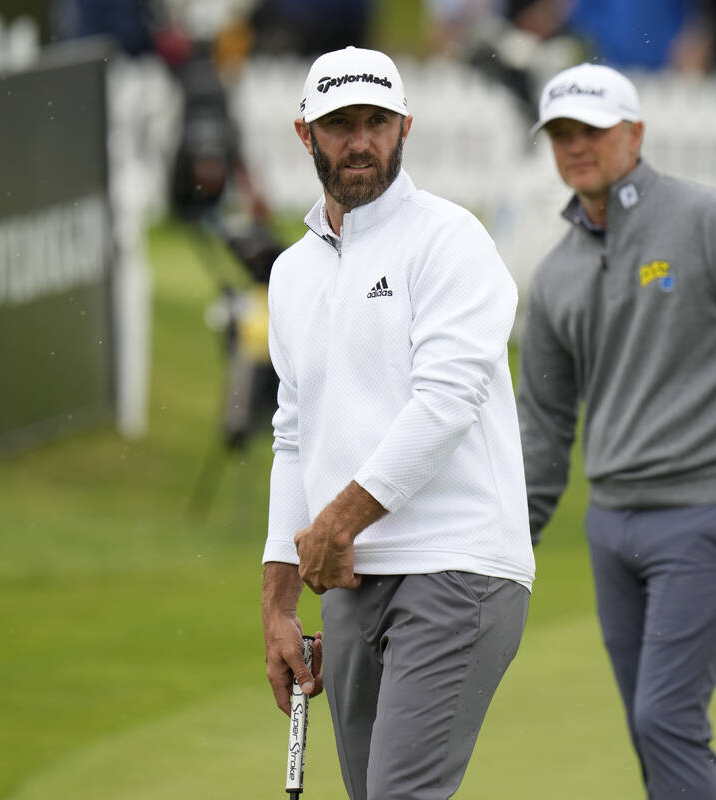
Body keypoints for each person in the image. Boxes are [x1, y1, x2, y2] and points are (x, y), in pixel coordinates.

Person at [517, 63, 716, 799]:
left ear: (634, 134)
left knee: (665, 715)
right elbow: (542, 420)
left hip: (707, 514)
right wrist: (516, 536)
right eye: (562, 133)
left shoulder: (705, 221)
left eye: (592, 130)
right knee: (647, 724)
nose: (576, 146)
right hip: (612, 526)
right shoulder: (557, 272)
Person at [260, 46, 535, 800]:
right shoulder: (291, 273)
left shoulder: (450, 240)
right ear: (304, 133)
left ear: (404, 126)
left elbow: (446, 404)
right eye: (339, 123)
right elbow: (294, 434)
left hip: (458, 562)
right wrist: (279, 602)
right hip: (350, 579)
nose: (359, 141)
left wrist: (336, 523)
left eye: (376, 121)